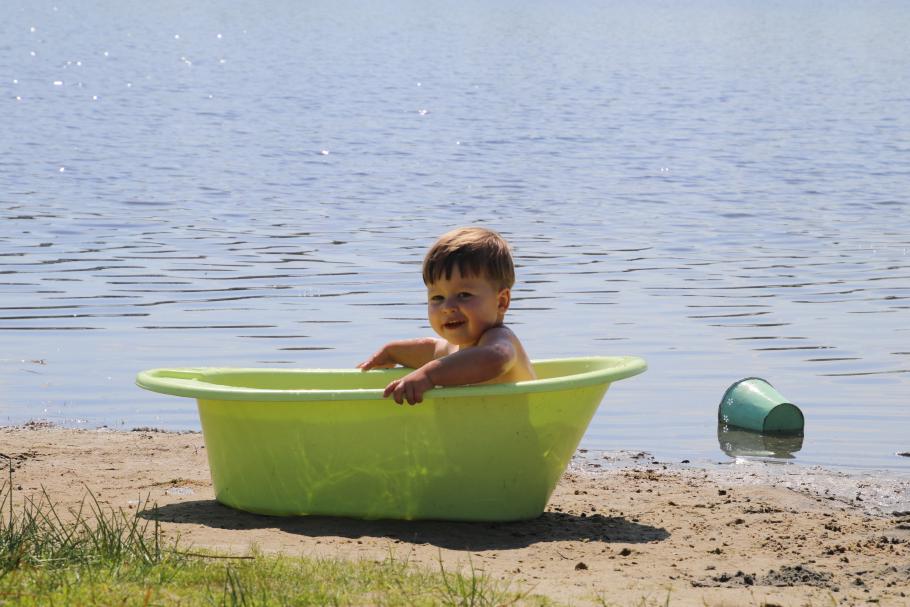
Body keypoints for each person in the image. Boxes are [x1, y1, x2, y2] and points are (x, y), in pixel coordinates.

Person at [358, 227, 536, 404]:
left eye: (464, 295)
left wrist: (429, 375)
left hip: (529, 430)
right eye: (437, 297)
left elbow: (495, 358)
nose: (447, 307)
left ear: (501, 302)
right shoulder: (454, 350)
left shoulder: (499, 339)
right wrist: (392, 352)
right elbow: (430, 349)